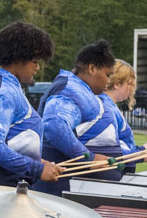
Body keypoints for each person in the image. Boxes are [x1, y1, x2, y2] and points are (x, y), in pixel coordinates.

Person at [0, 22, 62, 187]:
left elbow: (11, 138)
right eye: (35, 61)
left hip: (1, 181)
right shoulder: (3, 91)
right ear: (19, 58)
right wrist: (36, 169)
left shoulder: (7, 85)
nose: (37, 67)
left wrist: (37, 161)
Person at [38, 40, 117, 193]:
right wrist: (90, 158)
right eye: (107, 75)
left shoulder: (73, 86)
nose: (109, 80)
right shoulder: (72, 90)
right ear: (92, 69)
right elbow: (54, 126)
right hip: (56, 184)